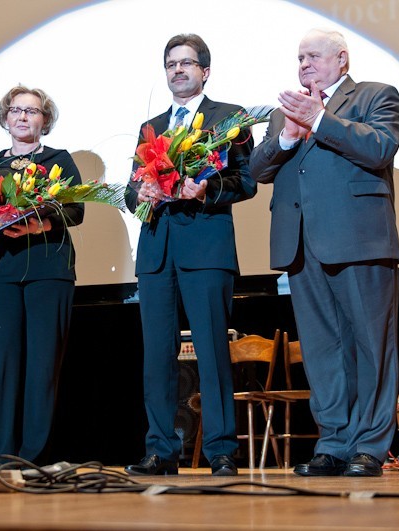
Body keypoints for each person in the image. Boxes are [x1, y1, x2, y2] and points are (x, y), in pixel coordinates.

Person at [249, 28, 399, 477]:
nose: (304, 65)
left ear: (342, 60)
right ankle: (333, 443)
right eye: (299, 58)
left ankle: (370, 446)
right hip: (302, 244)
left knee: (371, 347)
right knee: (321, 350)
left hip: (359, 240)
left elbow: (380, 147)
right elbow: (259, 170)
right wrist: (288, 138)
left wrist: (321, 121)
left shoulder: (376, 95)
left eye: (313, 56)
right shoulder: (286, 113)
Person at [124, 34, 256, 477]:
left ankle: (220, 450)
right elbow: (130, 190)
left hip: (206, 247)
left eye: (186, 63)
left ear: (205, 71)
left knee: (212, 352)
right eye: (171, 64)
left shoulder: (228, 119)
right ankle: (161, 449)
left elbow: (246, 181)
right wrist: (139, 192)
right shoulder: (151, 126)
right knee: (156, 355)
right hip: (156, 251)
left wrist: (207, 189)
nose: (178, 70)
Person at [0, 85, 84, 466]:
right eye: (15, 110)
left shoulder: (58, 159)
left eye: (31, 111)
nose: (22, 116)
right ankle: (1, 454)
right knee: (0, 363)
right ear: (5, 117)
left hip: (49, 269)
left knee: (42, 363)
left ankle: (34, 456)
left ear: (44, 120)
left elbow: (76, 210)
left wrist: (38, 226)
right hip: (1, 271)